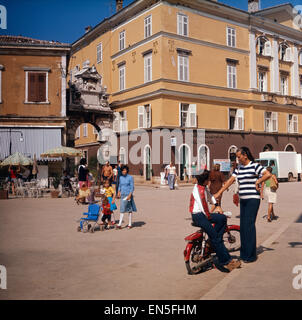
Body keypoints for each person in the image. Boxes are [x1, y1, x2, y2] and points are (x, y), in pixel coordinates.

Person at [214, 146, 271, 263]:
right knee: (243, 227)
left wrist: (258, 181)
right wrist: (219, 192)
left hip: (253, 200)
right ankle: (244, 254)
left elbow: (267, 174)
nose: (238, 159)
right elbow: (230, 180)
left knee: (249, 226)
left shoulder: (255, 166)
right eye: (237, 157)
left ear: (245, 155)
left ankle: (250, 256)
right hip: (243, 200)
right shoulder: (239, 168)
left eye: (239, 157)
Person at [189, 170, 241, 272]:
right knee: (216, 238)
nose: (210, 181)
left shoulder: (202, 187)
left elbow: (210, 198)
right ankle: (226, 261)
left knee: (222, 218)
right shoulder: (199, 190)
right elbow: (203, 206)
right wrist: (209, 217)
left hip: (202, 214)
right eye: (208, 179)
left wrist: (217, 206)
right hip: (199, 216)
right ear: (205, 181)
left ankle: (212, 242)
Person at [116, 165, 137, 229]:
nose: (124, 171)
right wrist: (119, 191)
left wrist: (130, 194)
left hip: (128, 195)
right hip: (123, 194)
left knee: (129, 209)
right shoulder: (121, 177)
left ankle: (129, 224)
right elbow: (120, 185)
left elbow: (132, 187)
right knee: (122, 208)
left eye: (125, 170)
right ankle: (120, 224)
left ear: (127, 170)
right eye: (122, 170)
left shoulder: (130, 177)